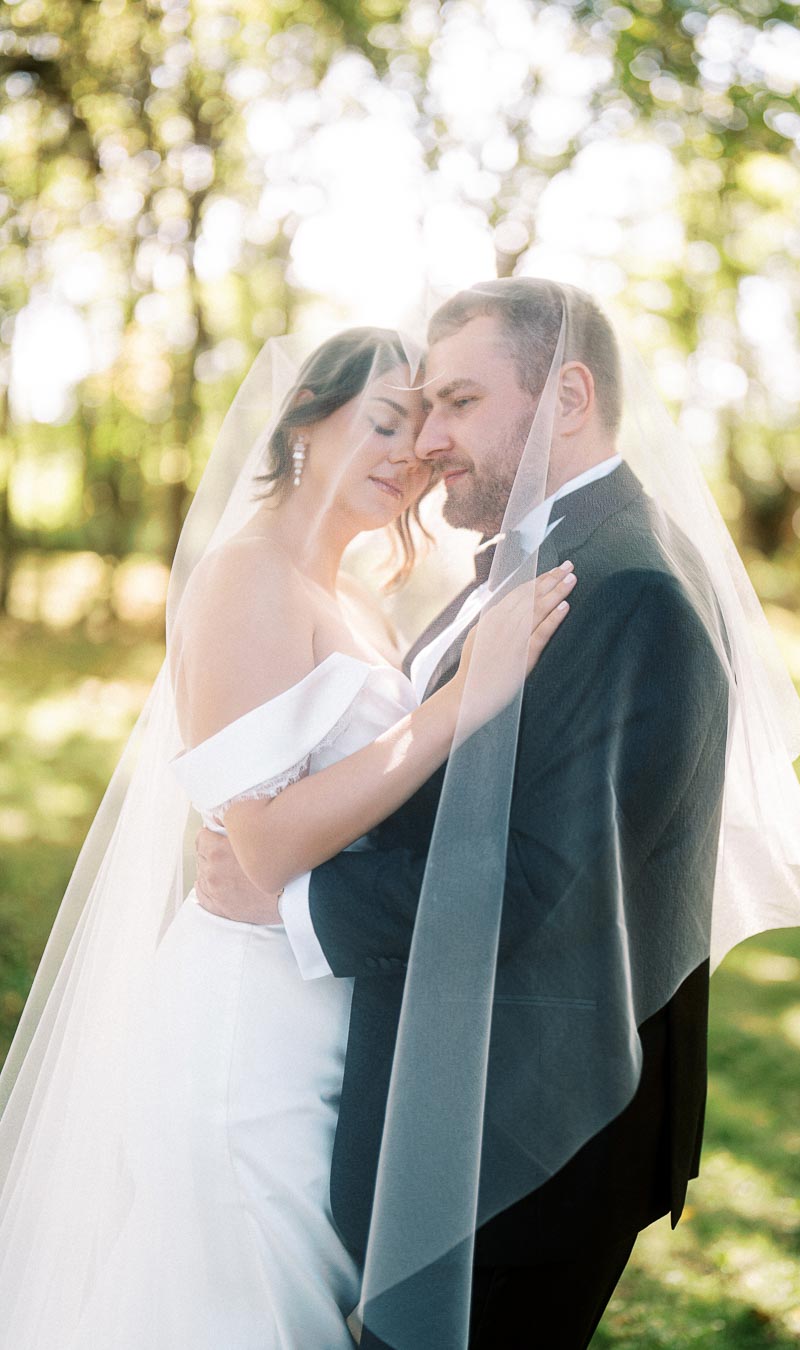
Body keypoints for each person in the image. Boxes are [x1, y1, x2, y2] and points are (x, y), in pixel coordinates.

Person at [197, 279, 800, 1350]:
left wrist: (292, 904)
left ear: (568, 395)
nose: (431, 440)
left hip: (533, 1137)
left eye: (457, 402)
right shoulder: (535, 557)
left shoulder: (630, 589)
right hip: (462, 1106)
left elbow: (545, 881)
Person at [0, 324, 574, 1349]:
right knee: (246, 1307)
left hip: (325, 1000)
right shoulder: (247, 577)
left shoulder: (352, 596)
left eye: (430, 423)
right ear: (308, 417)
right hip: (244, 1029)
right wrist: (459, 705)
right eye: (387, 419)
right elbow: (258, 845)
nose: (412, 452)